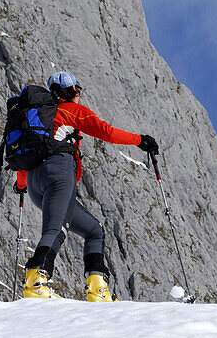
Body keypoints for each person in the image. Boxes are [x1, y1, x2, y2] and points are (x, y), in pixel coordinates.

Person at [16, 71, 158, 301]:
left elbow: (27, 160)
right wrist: (140, 140)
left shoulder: (37, 119)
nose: (78, 94)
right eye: (76, 90)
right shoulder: (71, 110)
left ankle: (98, 289)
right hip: (59, 173)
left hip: (34, 184)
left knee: (94, 231)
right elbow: (107, 133)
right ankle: (35, 280)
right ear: (71, 91)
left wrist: (21, 185)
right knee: (56, 228)